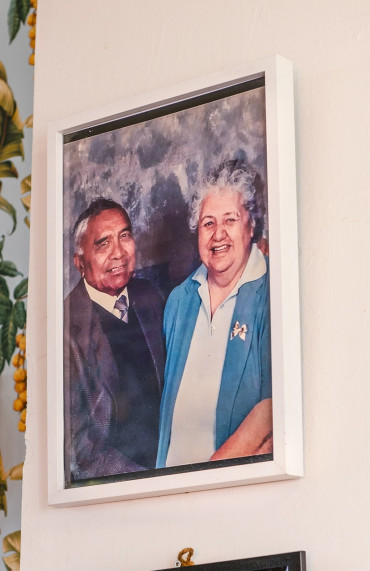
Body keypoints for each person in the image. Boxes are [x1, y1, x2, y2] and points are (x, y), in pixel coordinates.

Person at [157, 159, 272, 469]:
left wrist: (209, 476)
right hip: (172, 480)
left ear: (251, 226)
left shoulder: (272, 289)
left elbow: (272, 407)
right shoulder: (179, 300)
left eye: (230, 220)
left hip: (229, 482)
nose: (218, 234)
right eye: (208, 223)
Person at [64, 198, 165, 483]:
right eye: (103, 244)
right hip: (119, 485)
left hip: (170, 460)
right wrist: (154, 480)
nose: (118, 253)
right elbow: (80, 452)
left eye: (125, 236)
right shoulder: (64, 329)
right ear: (80, 263)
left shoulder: (149, 295)